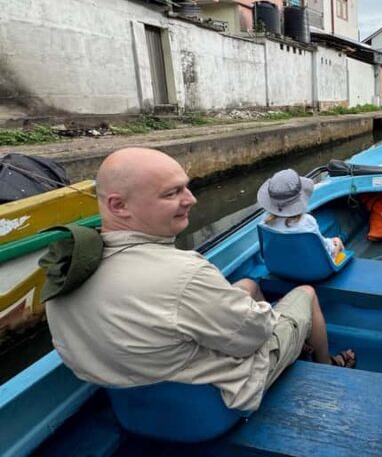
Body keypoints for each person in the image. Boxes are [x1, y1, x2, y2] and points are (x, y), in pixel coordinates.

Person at [41, 147, 355, 414]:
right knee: (304, 294)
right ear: (118, 205)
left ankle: (264, 318)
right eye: (172, 193)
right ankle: (326, 364)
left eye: (186, 188)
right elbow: (256, 336)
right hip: (216, 400)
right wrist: (268, 313)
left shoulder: (67, 267)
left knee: (248, 285)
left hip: (135, 399)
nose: (191, 199)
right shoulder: (185, 273)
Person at [259, 168, 343, 258]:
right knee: (338, 242)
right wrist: (335, 243)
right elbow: (326, 252)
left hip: (281, 263)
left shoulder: (263, 222)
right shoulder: (307, 221)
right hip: (314, 266)